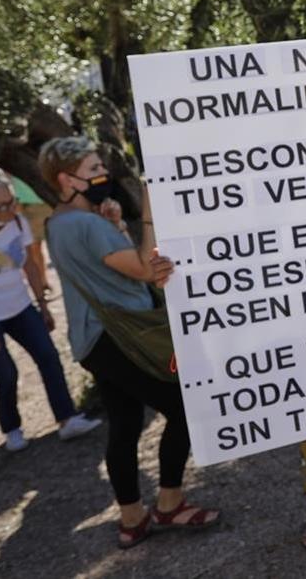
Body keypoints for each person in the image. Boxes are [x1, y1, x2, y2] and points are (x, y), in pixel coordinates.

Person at [39, 136, 220, 549]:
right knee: (185, 409)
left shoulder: (59, 222)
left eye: (101, 166)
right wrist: (148, 212)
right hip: (121, 336)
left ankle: (132, 517)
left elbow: (104, 266)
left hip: (93, 341)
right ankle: (169, 503)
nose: (102, 174)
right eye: (92, 169)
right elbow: (145, 269)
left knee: (124, 425)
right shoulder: (85, 224)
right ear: (66, 179)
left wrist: (117, 225)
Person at [0, 164, 102, 452]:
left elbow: (30, 266)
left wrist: (43, 305)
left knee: (49, 357)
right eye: (2, 206)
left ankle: (67, 418)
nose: (11, 209)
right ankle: (12, 428)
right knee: (5, 374)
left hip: (20, 307)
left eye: (12, 201)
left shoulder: (18, 222)